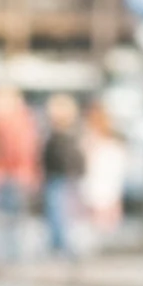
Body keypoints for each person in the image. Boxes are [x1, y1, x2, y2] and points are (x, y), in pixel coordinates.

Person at [0, 86, 41, 271]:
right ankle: (5, 255)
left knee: (5, 217)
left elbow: (17, 151)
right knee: (6, 217)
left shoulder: (13, 122)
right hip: (11, 174)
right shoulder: (14, 120)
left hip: (11, 175)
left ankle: (7, 256)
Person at [37, 94, 89, 265]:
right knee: (59, 214)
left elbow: (70, 158)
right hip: (59, 177)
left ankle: (64, 247)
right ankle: (60, 246)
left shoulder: (65, 135)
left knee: (61, 214)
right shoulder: (62, 133)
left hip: (63, 177)